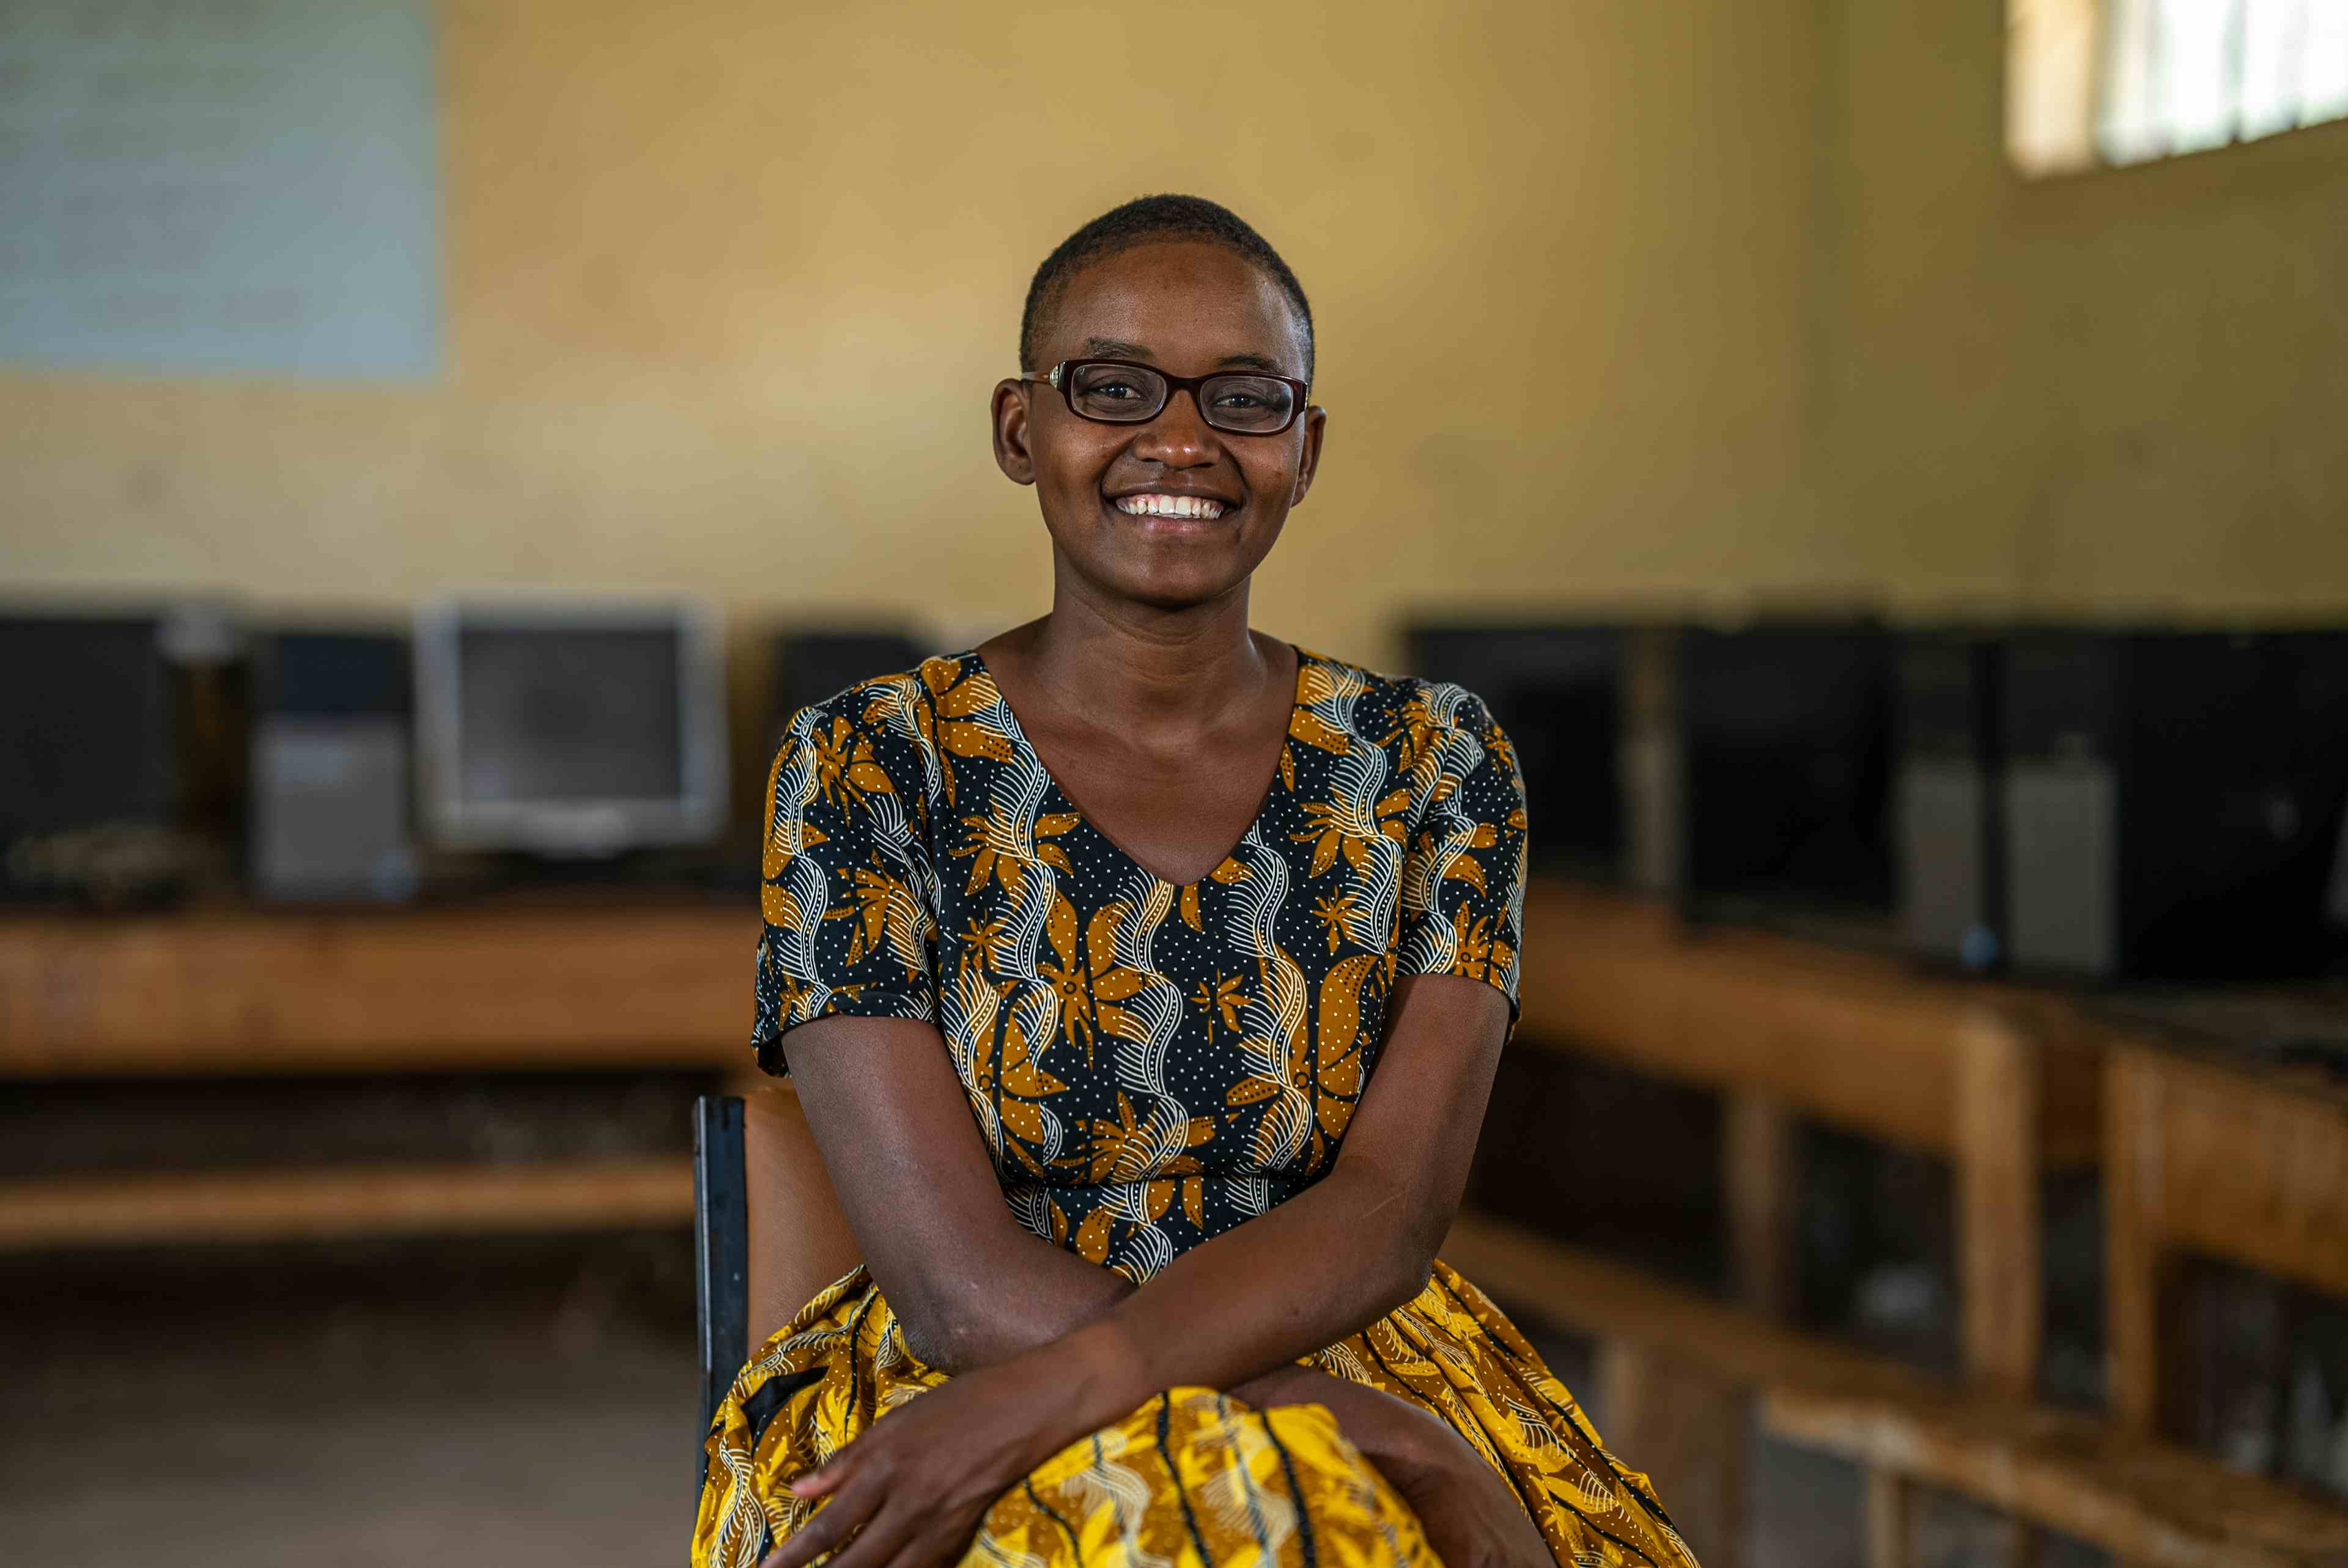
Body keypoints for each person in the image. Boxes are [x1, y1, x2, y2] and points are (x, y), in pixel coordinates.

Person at [693, 194, 1697, 1568]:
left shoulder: (1432, 765)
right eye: (1114, 387)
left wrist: (1377, 1413)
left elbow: (1388, 1209)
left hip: (1352, 1335)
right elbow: (951, 1285)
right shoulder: (869, 764)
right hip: (970, 1385)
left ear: (1305, 448)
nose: (1180, 440)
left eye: (1244, 396)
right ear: (1018, 428)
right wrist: (1370, 1438)